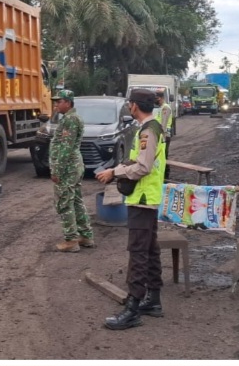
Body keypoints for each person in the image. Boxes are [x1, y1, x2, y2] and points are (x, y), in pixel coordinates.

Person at [95, 89, 167, 329]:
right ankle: (153, 300)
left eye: (129, 103)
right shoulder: (152, 128)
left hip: (143, 199)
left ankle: (133, 307)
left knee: (137, 252)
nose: (128, 106)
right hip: (147, 197)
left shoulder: (148, 131)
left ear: (135, 106)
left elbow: (143, 167)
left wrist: (114, 172)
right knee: (149, 248)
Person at [49, 88, 94, 252]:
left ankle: (71, 240)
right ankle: (85, 236)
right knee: (75, 200)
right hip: (73, 165)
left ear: (67, 103)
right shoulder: (70, 118)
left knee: (64, 202)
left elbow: (65, 148)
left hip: (68, 167)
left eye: (59, 102)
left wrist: (57, 170)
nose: (56, 105)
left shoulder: (70, 120)